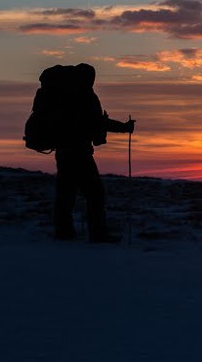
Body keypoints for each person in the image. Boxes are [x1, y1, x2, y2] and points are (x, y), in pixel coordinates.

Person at [36, 63, 134, 243]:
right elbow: (97, 122)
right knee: (95, 193)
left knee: (66, 194)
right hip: (80, 152)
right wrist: (124, 127)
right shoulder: (84, 96)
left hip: (63, 151)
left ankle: (64, 233)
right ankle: (97, 234)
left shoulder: (62, 96)